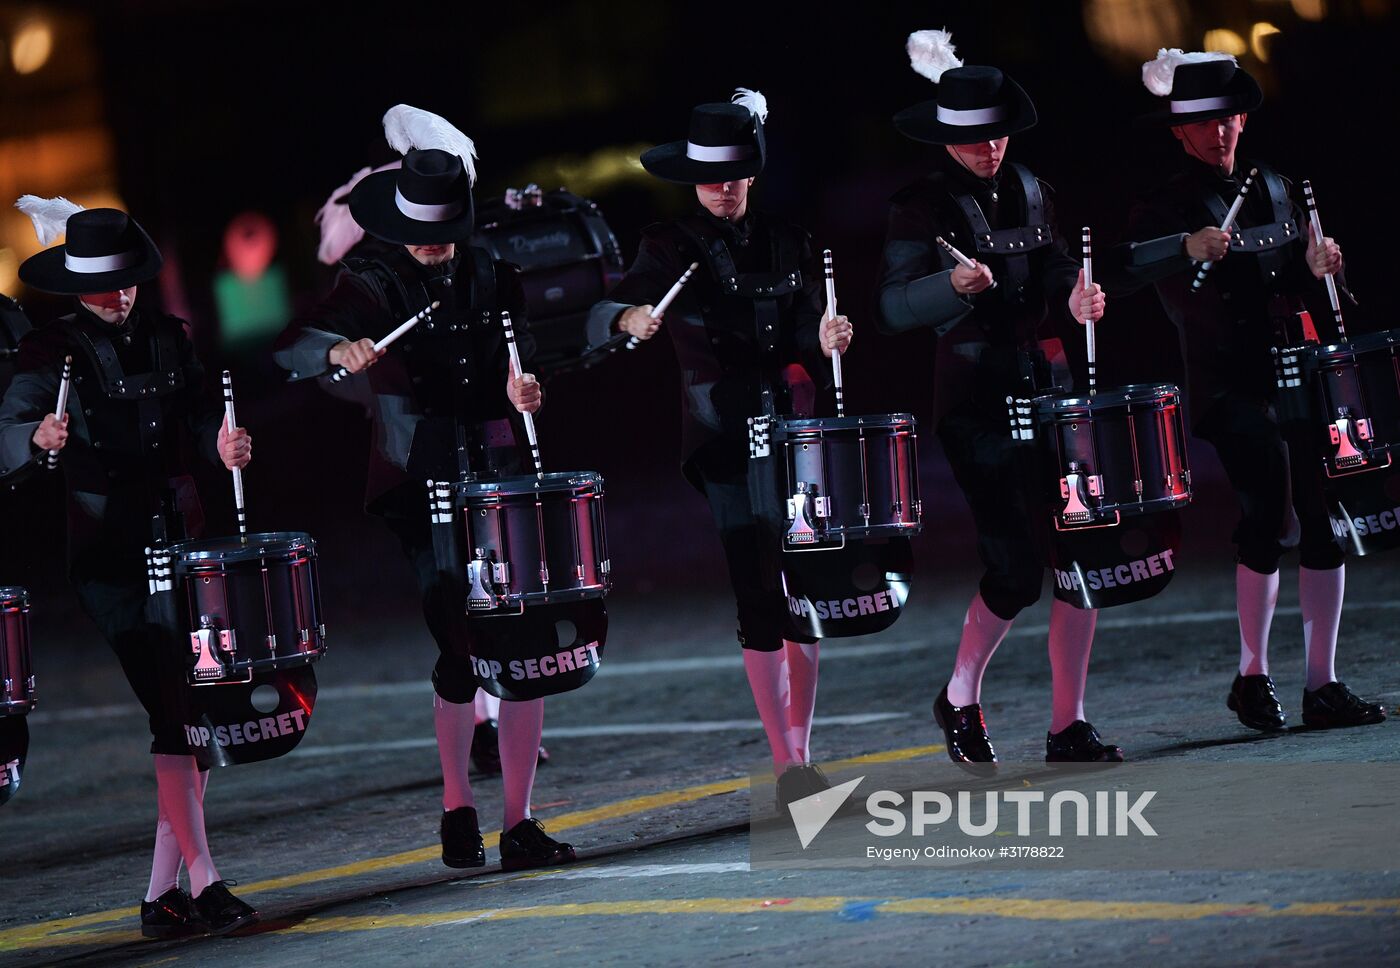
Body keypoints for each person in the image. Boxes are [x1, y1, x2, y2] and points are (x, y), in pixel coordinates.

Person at [273, 105, 574, 871]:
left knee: (525, 646)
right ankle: (456, 809)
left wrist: (525, 385)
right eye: (423, 229)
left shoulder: (492, 273)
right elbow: (297, 348)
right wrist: (341, 348)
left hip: (500, 468)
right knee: (461, 648)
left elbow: (523, 353)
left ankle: (520, 822)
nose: (435, 242)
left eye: (445, 227)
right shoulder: (371, 278)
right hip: (422, 477)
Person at [587, 88, 853, 808]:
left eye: (737, 174)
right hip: (722, 432)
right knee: (759, 591)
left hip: (795, 430)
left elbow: (802, 324)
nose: (726, 187)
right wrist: (629, 316)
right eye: (713, 175)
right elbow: (611, 309)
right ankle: (787, 762)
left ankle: (804, 750)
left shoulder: (790, 240)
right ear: (692, 176)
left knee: (806, 593)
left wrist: (822, 335)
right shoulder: (667, 246)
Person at [1106, 49, 1385, 732]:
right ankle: (1252, 675)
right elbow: (1121, 273)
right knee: (1270, 510)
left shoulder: (1279, 189)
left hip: (1296, 376)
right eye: (1202, 123)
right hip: (1227, 385)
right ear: (1178, 130)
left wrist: (1325, 268)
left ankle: (1323, 682)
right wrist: (1183, 249)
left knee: (1325, 525)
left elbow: (1308, 285)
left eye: (1227, 118)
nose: (1218, 132)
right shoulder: (1164, 204)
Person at [0, 200, 257, 935]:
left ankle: (159, 899)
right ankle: (204, 883)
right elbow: (9, 429)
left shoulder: (171, 338)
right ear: (78, 283)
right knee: (170, 710)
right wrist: (36, 436)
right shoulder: (50, 353)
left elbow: (206, 418)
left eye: (128, 280)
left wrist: (223, 445)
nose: (120, 294)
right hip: (109, 554)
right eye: (105, 283)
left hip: (183, 540)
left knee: (194, 714)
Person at [875, 31, 1113, 763]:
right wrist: (946, 285)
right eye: (976, 139)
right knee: (1014, 568)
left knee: (1080, 558)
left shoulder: (1034, 187)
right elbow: (889, 307)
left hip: (1047, 386)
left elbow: (1056, 268)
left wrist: (1076, 295)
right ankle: (960, 696)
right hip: (974, 397)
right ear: (947, 136)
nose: (991, 149)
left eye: (999, 135)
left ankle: (1068, 723)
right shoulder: (918, 208)